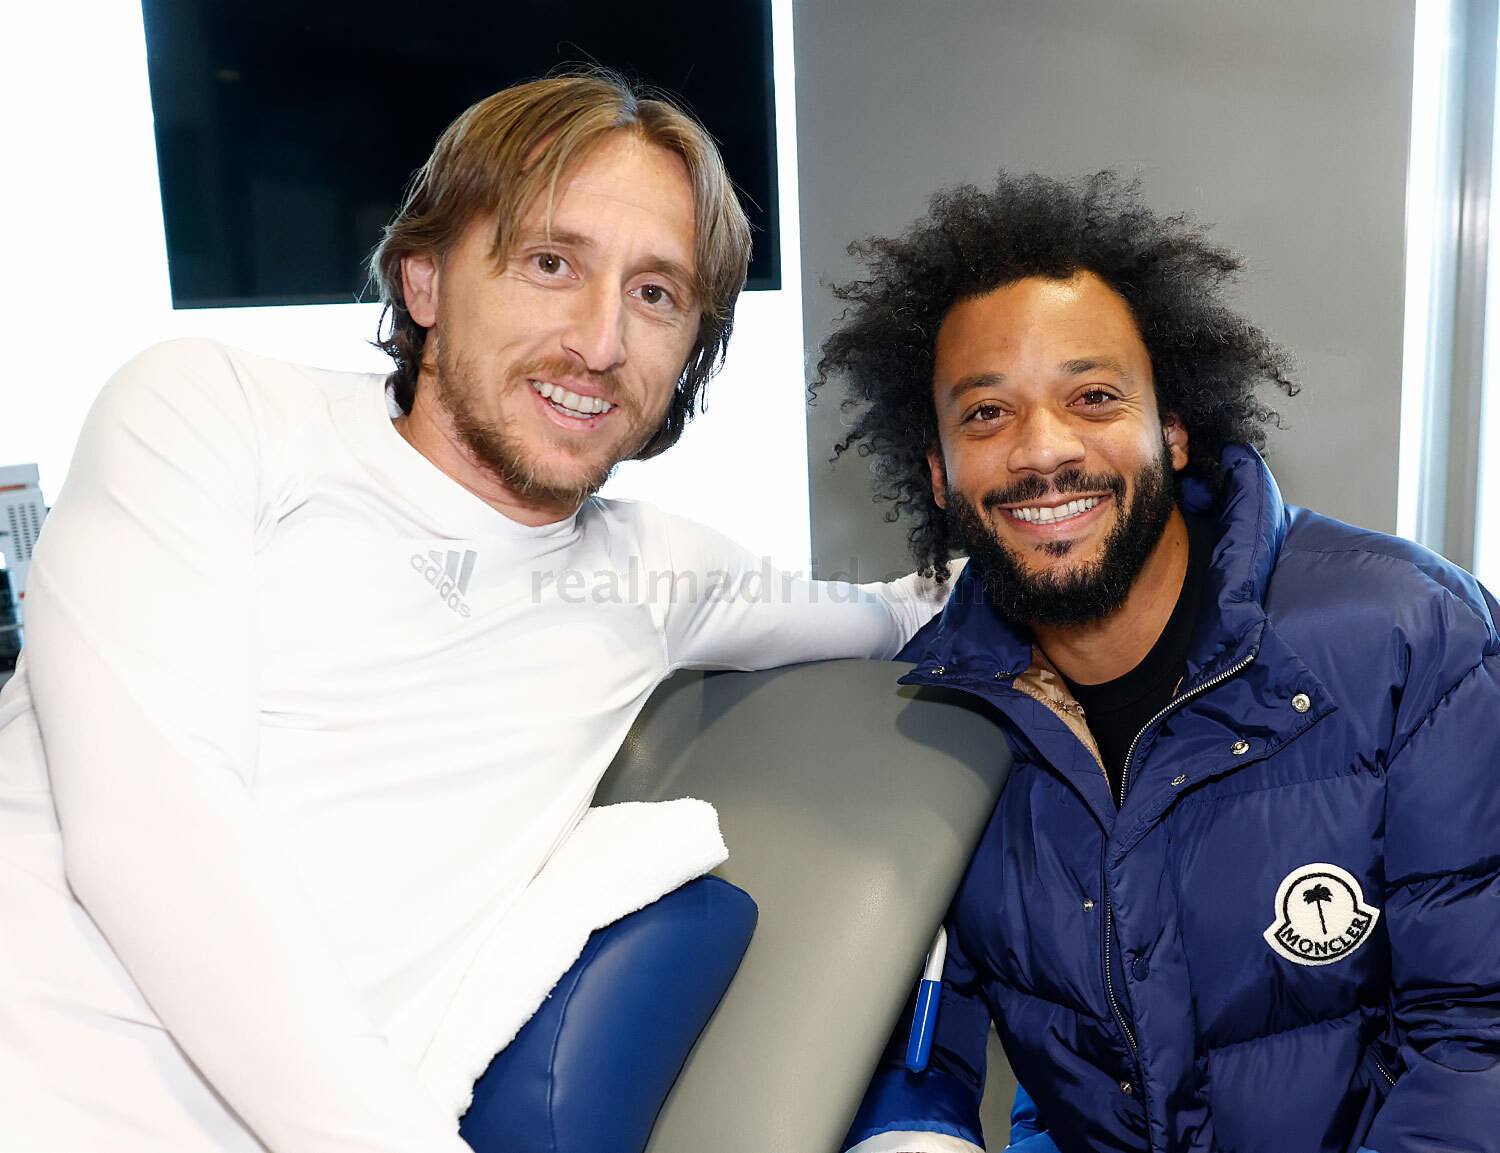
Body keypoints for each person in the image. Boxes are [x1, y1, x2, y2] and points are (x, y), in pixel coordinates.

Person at [0, 73, 953, 1153]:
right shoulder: (213, 414)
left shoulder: (659, 572)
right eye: (552, 264)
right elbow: (153, 836)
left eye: (656, 296)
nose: (601, 342)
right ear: (424, 279)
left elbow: (897, 612)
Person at [816, 172, 1500, 1153]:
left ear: (1171, 429)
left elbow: (1476, 1047)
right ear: (937, 472)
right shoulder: (939, 723)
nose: (1042, 451)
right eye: (985, 415)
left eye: (1092, 397)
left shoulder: (1415, 642)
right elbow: (912, 1051)